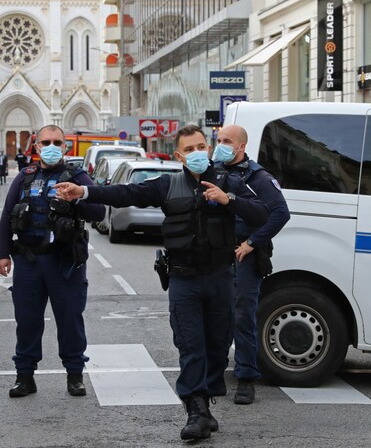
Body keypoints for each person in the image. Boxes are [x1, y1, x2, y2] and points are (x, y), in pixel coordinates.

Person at [54, 124, 268, 441]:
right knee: (190, 344)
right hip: (184, 279)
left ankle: (205, 401)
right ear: (179, 155)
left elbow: (264, 213)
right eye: (189, 149)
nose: (197, 153)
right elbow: (126, 193)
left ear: (208, 149)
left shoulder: (231, 182)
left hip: (221, 278)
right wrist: (84, 191)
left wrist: (229, 201)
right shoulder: (168, 185)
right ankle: (196, 410)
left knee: (217, 347)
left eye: (201, 147)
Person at [0, 124, 105, 398]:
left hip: (65, 262)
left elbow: (99, 211)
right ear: (36, 147)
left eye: (57, 142)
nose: (51, 147)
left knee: (70, 319)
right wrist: (2, 253)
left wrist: (75, 197)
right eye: (46, 142)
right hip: (29, 261)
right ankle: (25, 376)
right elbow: (8, 216)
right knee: (27, 320)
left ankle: (74, 376)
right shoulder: (24, 177)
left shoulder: (77, 176)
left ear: (66, 147)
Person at [212, 125, 290, 405]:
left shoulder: (257, 177)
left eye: (227, 141)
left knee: (243, 316)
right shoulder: (213, 171)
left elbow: (280, 213)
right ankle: (214, 375)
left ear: (241, 147)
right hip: (217, 254)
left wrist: (252, 243)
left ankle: (246, 378)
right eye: (218, 140)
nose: (220, 145)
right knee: (218, 316)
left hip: (243, 254)